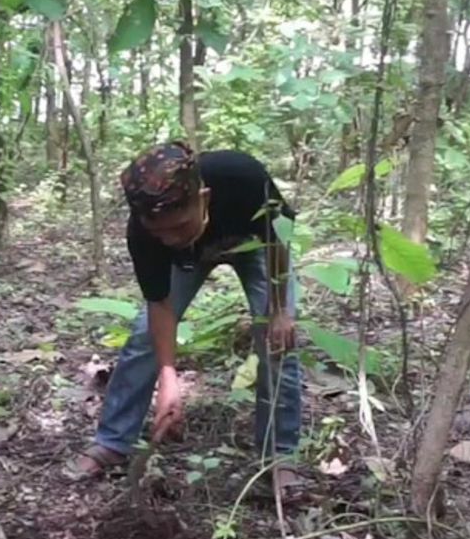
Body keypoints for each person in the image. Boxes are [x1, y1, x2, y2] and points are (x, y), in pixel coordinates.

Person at [66, 141, 303, 492]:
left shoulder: (243, 177)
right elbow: (160, 305)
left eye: (178, 226)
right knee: (144, 336)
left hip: (252, 245)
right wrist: (169, 378)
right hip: (195, 256)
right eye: (160, 232)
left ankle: (280, 456)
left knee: (277, 340)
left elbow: (278, 239)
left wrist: (281, 310)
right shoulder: (146, 233)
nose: (170, 238)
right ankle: (114, 442)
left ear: (204, 197)